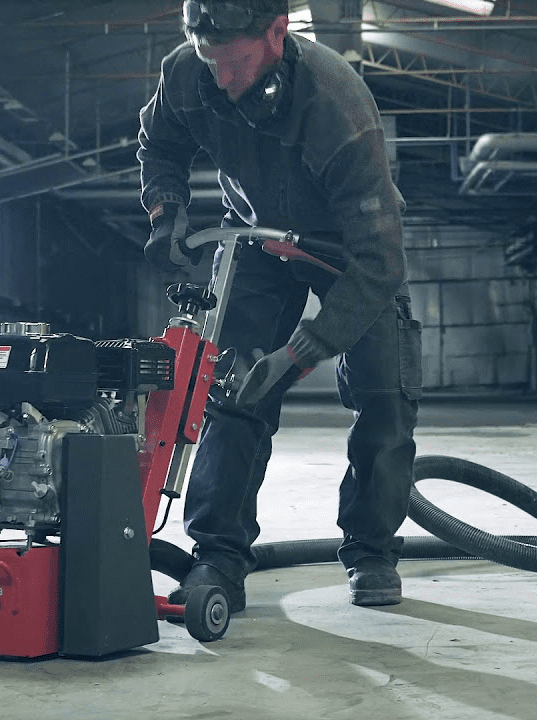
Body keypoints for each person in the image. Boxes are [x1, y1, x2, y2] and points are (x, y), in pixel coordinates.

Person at [137, 0, 421, 610]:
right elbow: (160, 145)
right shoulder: (187, 71)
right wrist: (166, 210)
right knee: (230, 393)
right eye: (210, 61)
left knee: (384, 397)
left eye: (234, 63)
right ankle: (218, 556)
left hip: (352, 248)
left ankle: (371, 551)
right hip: (257, 238)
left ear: (276, 32)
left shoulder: (335, 105)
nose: (220, 79)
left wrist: (301, 352)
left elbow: (381, 260)